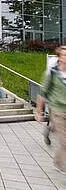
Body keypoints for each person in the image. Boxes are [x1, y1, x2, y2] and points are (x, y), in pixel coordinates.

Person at [36, 45, 66, 174]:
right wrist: (39, 112)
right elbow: (42, 94)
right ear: (59, 58)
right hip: (57, 110)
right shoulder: (52, 73)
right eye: (64, 55)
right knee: (64, 141)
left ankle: (58, 161)